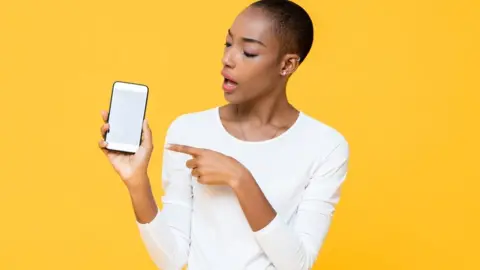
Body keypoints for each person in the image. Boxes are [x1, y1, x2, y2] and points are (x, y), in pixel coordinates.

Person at [98, 0, 350, 269]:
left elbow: (297, 264)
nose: (228, 59)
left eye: (249, 52)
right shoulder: (188, 131)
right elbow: (172, 260)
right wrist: (137, 183)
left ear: (287, 65)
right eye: (228, 44)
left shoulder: (325, 146)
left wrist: (239, 179)